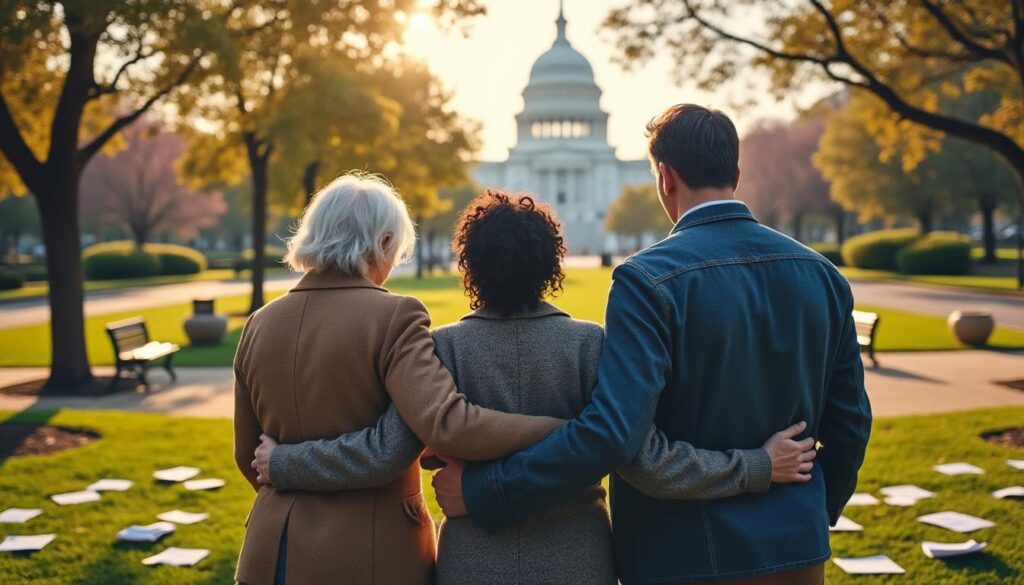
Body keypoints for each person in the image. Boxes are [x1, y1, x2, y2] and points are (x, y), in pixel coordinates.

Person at [251, 190, 818, 584]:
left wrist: (287, 461)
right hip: (577, 560)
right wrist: (755, 466)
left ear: (469, 264)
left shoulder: (440, 349)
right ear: (553, 262)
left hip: (472, 562)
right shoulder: (591, 347)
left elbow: (394, 446)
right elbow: (646, 460)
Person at [432, 104, 872, 585]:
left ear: (665, 177)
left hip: (681, 554)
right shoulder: (823, 275)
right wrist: (809, 509)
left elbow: (618, 437)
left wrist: (489, 491)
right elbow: (850, 423)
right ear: (736, 172)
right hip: (796, 549)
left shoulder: (647, 279)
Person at [232, 173, 569, 585]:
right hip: (369, 554)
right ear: (385, 242)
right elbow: (440, 428)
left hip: (269, 550)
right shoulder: (394, 317)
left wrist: (284, 468)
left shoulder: (258, 324)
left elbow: (247, 454)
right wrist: (566, 430)